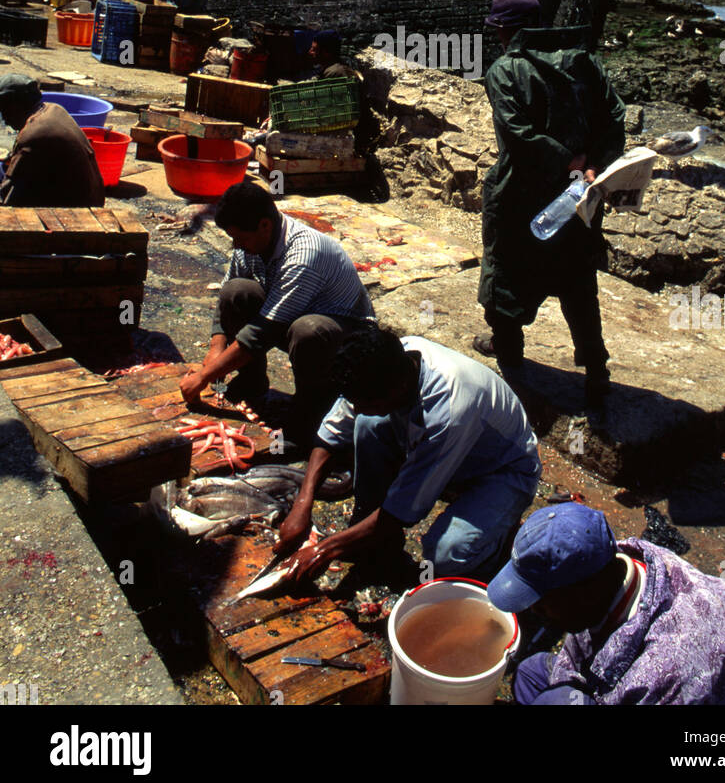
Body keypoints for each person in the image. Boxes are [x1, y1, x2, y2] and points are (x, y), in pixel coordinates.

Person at [271, 328, 541, 585]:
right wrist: (303, 504)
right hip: (452, 456)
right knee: (366, 424)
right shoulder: (384, 363)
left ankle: (499, 542)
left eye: (367, 403)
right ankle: (369, 530)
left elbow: (402, 511)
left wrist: (324, 550)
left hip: (503, 471)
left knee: (446, 556)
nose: (358, 408)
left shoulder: (448, 408)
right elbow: (333, 432)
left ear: (397, 389)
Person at [488, 503, 725, 706]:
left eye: (541, 601)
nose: (532, 610)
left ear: (582, 592)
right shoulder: (627, 563)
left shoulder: (669, 672)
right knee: (532, 673)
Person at [475, 0, 625, 405]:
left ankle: (509, 356)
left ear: (506, 30)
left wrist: (567, 163)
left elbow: (519, 137)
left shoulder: (506, 70)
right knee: (578, 282)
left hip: (521, 196)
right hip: (579, 196)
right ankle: (596, 370)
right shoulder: (584, 60)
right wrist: (591, 163)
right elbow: (614, 116)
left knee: (504, 275)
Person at [179, 181, 376, 438]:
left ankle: (312, 415)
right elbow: (227, 294)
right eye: (233, 238)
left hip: (344, 334)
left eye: (241, 238)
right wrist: (215, 351)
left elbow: (263, 331)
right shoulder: (250, 243)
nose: (237, 245)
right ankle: (252, 383)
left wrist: (205, 376)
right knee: (237, 291)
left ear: (265, 225)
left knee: (308, 331)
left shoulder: (304, 254)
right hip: (288, 318)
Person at [0, 74, 104, 207]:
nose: (5, 119)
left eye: (5, 110)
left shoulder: (33, 134)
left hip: (75, 209)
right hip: (92, 197)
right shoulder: (54, 109)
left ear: (17, 105)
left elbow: (8, 197)